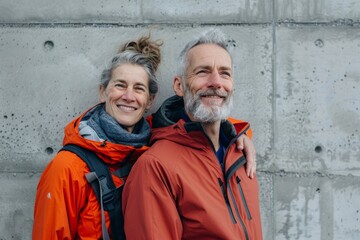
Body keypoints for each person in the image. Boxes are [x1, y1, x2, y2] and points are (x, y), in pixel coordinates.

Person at [32, 34, 257, 240]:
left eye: (139, 88)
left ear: (149, 101)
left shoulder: (149, 141)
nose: (129, 97)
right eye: (120, 85)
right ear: (103, 91)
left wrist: (241, 136)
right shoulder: (67, 168)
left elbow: (204, 123)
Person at [122, 29, 263, 239]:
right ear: (179, 86)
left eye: (225, 73)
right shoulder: (155, 167)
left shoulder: (240, 154)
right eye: (203, 72)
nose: (216, 82)